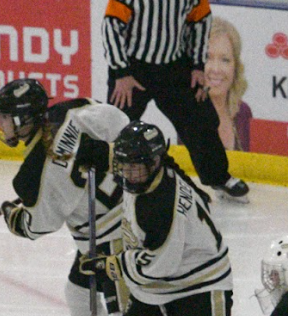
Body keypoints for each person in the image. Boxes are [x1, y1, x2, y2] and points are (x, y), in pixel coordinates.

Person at [82, 121, 233, 316]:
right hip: (165, 282)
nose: (128, 174)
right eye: (124, 166)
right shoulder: (156, 169)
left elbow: (158, 265)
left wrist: (111, 265)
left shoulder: (161, 205)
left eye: (136, 168)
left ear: (154, 163)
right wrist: (93, 152)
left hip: (200, 282)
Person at [0, 78, 131, 316]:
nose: (0, 124)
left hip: (112, 238)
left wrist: (14, 217)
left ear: (22, 120)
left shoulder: (34, 173)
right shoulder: (73, 110)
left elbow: (39, 225)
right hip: (127, 214)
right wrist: (110, 155)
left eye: (5, 118)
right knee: (79, 291)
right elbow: (118, 121)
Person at [102, 0, 250, 202]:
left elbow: (201, 20)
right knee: (116, 122)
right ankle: (103, 178)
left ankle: (218, 177)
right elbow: (111, 24)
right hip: (132, 68)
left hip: (174, 66)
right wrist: (121, 71)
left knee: (200, 119)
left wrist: (197, 65)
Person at [205, 17, 252, 152]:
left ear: (235, 67)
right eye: (207, 57)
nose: (216, 69)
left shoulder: (243, 113)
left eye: (225, 60)